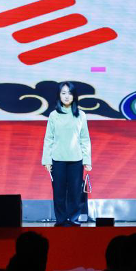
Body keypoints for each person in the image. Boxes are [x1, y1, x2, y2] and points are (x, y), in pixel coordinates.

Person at [41, 81, 92, 226]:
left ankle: (73, 219)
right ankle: (61, 220)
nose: (66, 96)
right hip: (57, 159)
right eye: (63, 93)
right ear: (59, 96)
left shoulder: (81, 115)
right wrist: (47, 160)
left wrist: (87, 160)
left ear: (74, 96)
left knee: (75, 192)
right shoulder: (53, 115)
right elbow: (49, 138)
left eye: (69, 93)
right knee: (59, 192)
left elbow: (85, 138)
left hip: (76, 159)